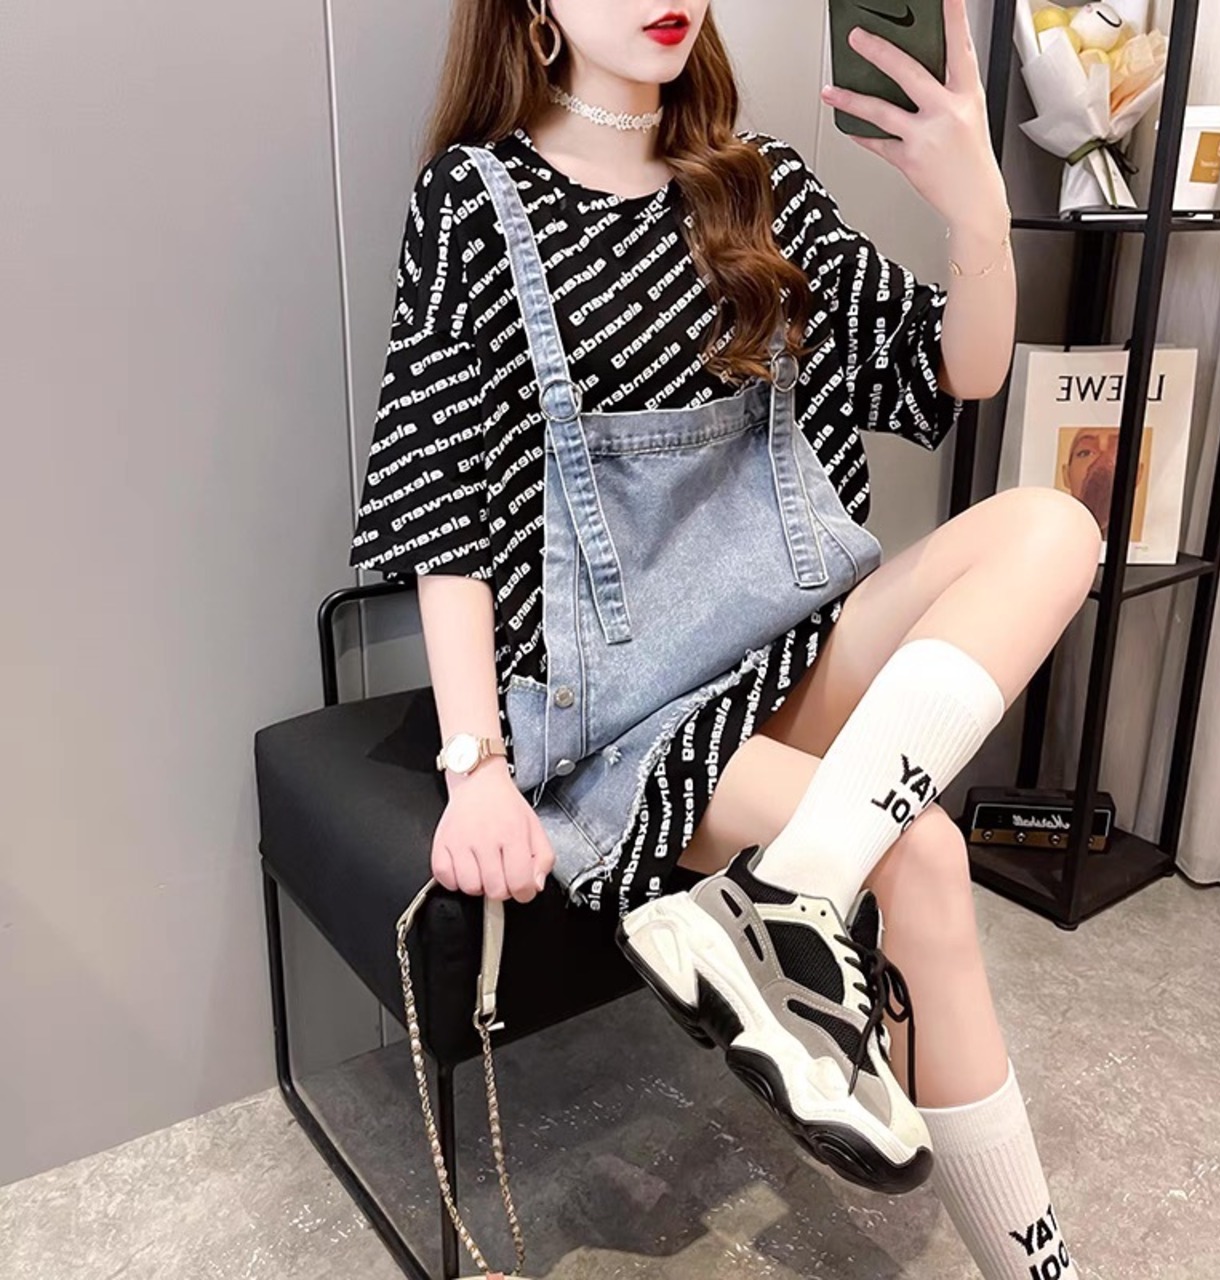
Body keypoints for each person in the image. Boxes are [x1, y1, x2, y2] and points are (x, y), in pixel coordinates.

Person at [349, 2, 1096, 1276]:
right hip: (621, 715)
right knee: (919, 848)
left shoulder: (755, 185)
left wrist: (979, 213)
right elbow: (442, 508)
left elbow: (952, 367)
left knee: (1052, 525)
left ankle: (783, 893)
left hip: (789, 640)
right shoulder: (474, 202)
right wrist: (474, 765)